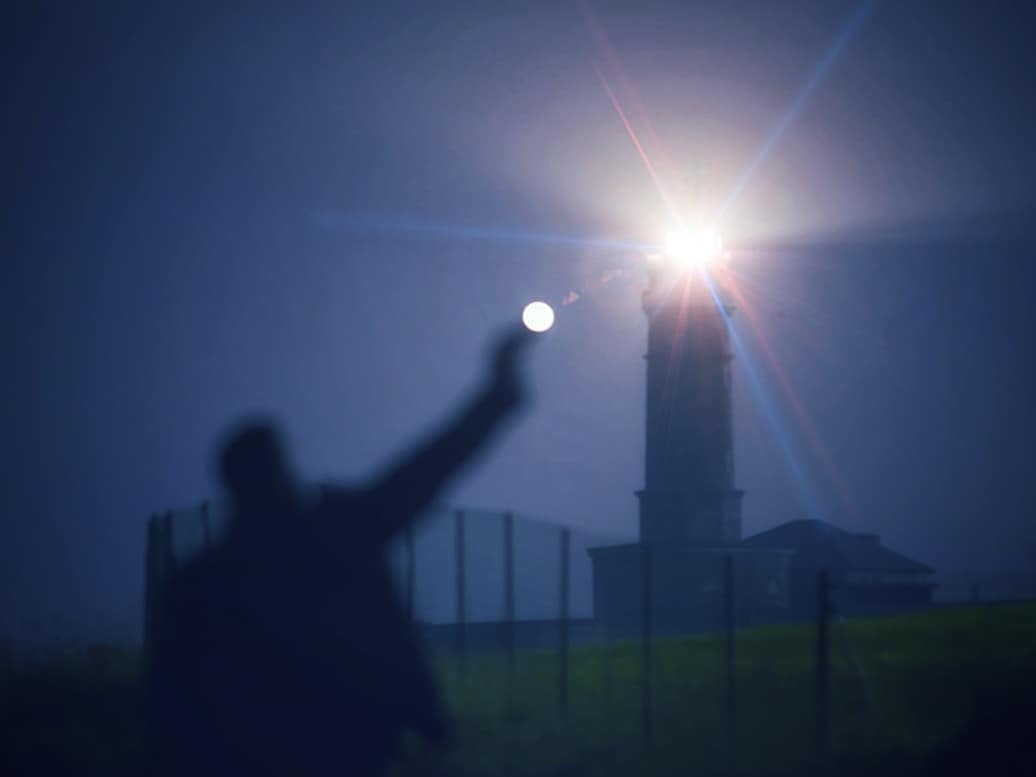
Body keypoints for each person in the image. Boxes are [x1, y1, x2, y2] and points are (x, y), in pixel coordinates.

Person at [146, 326, 537, 776]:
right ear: (283, 472)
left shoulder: (198, 584)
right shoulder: (336, 536)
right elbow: (429, 467)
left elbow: (169, 712)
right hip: (348, 750)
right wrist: (499, 389)